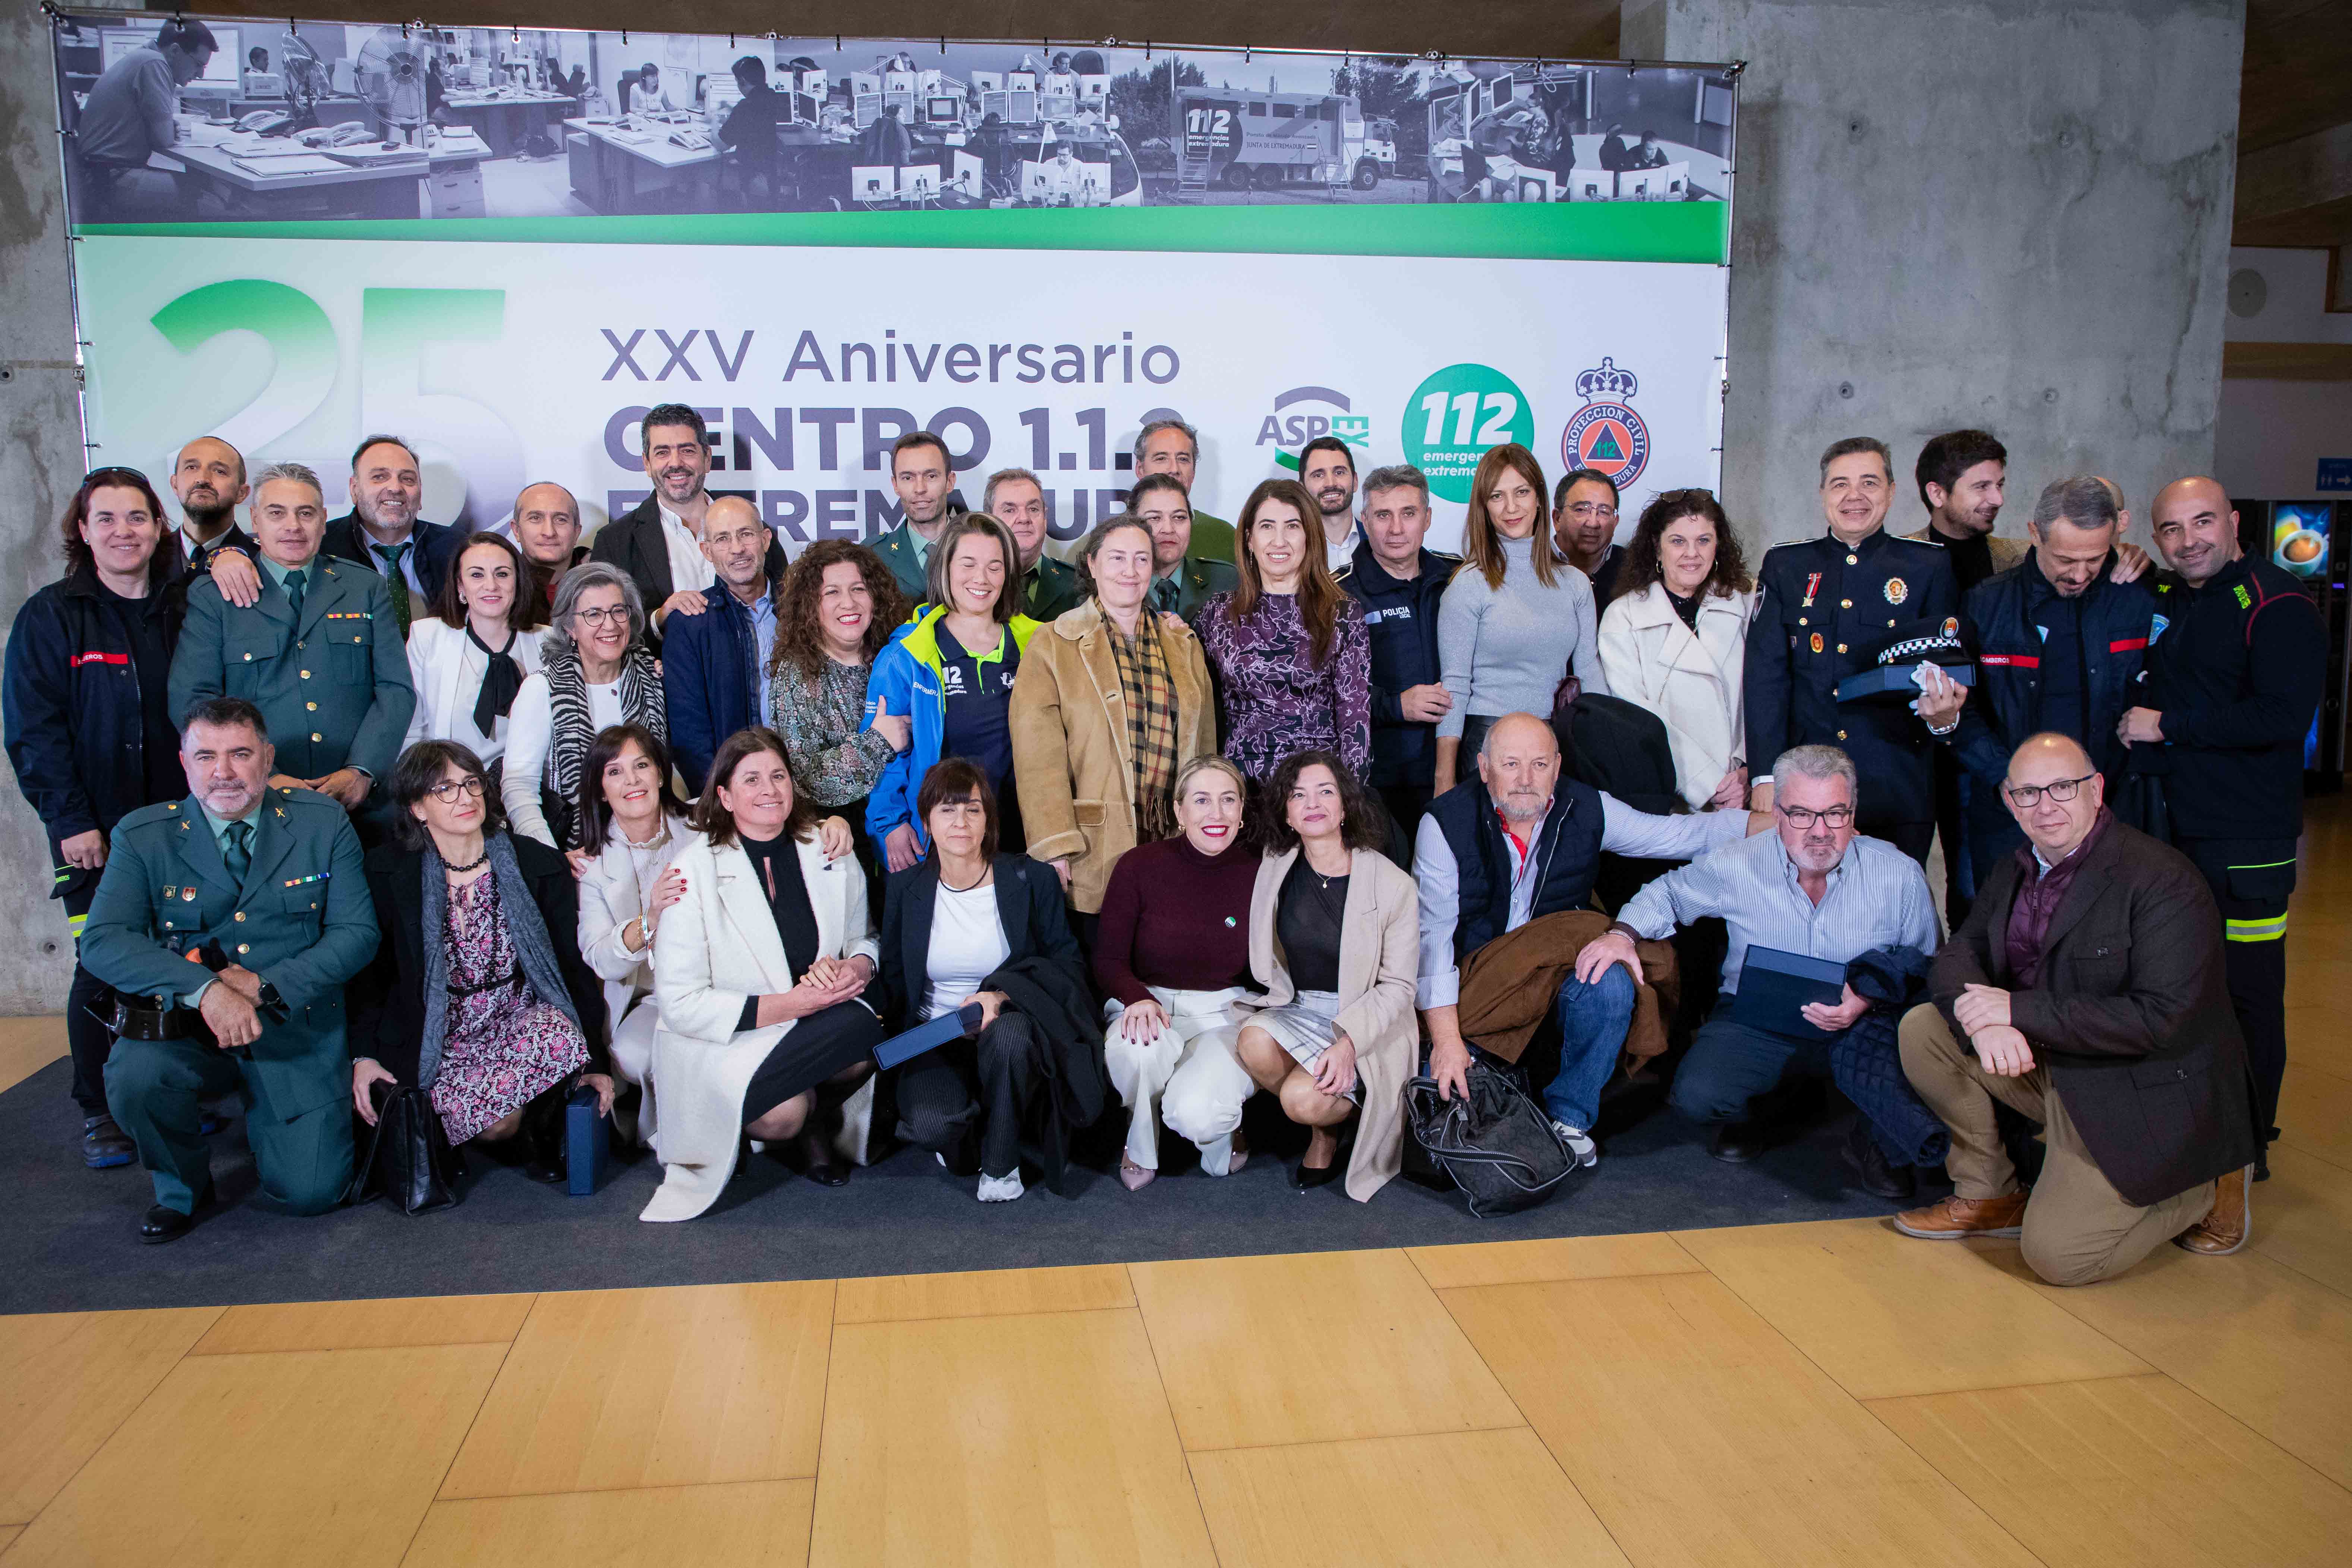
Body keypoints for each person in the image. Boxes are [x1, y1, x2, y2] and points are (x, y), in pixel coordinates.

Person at [1894, 734, 2258, 1276]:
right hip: (2056, 1066)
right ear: (2009, 802)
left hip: (2143, 1085)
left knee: (2059, 1258)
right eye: (2028, 793)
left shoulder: (2162, 879)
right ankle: (1992, 1191)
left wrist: (2015, 1012)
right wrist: (1986, 1023)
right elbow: (1957, 955)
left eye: (2062, 787)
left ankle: (2205, 1184)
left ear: (2097, 789)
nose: (2045, 806)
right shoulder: (2014, 868)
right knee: (1924, 1027)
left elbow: (2160, 1019)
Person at [78, 698, 375, 1242]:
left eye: (240, 754)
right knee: (135, 1077)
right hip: (191, 1027)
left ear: (267, 757)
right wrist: (206, 990)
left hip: (293, 1026)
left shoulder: (320, 821)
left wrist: (264, 986)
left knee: (312, 1193)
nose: (224, 772)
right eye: (207, 755)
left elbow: (358, 935)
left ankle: (282, 1134)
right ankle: (182, 1186)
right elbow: (101, 941)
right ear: (185, 762)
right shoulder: (143, 836)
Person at [1587, 745, 1940, 1184]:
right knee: (1697, 1096)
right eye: (1801, 815)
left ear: (1853, 813)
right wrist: (1621, 935)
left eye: (1835, 814)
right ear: (1777, 814)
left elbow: (1925, 963)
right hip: (1758, 1018)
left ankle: (1873, 1137)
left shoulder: (1899, 873)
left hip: (1864, 1021)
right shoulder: (1740, 861)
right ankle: (1753, 1112)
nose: (1820, 831)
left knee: (1919, 1061)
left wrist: (1868, 997)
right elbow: (1669, 894)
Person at [1417, 713, 1757, 1162]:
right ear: (1484, 768)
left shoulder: (1587, 806)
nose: (1525, 780)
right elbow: (1433, 943)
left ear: (1557, 768)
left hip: (1556, 972)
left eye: (1539, 765)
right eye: (1510, 764)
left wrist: (1779, 823)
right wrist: (1446, 1042)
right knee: (1442, 1108)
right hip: (1479, 982)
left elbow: (1676, 834)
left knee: (1610, 978)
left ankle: (1571, 1119)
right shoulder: (1445, 823)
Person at [2126, 476, 2326, 1178]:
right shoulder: (2167, 596)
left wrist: (2167, 727)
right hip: (2169, 833)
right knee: (2175, 988)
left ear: (2232, 521)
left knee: (2245, 993)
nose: (2189, 541)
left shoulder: (2276, 604)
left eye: (2202, 522)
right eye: (2171, 530)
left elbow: (2280, 719)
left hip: (2245, 843)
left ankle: (2244, 1151)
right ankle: (2186, 1134)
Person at [4, 469, 191, 1170]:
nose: (124, 532)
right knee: (103, 965)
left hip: (180, 823)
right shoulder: (53, 617)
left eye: (137, 518)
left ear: (158, 527)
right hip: (95, 831)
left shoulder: (182, 608)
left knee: (178, 954)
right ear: (82, 531)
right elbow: (34, 733)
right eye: (106, 519)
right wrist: (72, 821)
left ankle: (167, 1092)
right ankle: (100, 1110)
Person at [643, 728, 884, 1221]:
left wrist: (855, 968)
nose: (769, 789)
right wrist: (795, 1003)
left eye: (778, 775)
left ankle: (802, 1115)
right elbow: (682, 1003)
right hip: (730, 1039)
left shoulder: (827, 847)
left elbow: (865, 939)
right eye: (751, 779)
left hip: (813, 1028)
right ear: (726, 796)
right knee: (787, 1111)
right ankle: (787, 1122)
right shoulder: (694, 871)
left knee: (866, 1026)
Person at [349, 741, 610, 1182]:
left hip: (518, 1021)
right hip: (436, 1031)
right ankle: (493, 1126)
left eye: (471, 783)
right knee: (495, 1126)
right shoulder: (386, 871)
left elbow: (570, 967)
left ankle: (536, 1127)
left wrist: (597, 1062)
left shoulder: (536, 863)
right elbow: (371, 975)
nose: (466, 798)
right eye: (444, 789)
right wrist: (363, 1056)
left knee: (560, 1033)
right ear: (417, 808)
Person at [1167, 752, 1417, 1197]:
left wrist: (1350, 1043)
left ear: (1346, 806)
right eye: (1298, 795)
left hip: (1365, 1018)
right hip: (1301, 1007)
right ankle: (1329, 1120)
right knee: (1253, 1039)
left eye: (1326, 792)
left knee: (1300, 1100)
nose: (1313, 803)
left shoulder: (1393, 884)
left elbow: (1398, 987)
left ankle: (1332, 1123)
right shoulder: (1276, 864)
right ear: (1286, 811)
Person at [1911, 478, 2155, 887]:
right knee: (2002, 933)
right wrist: (2006, 777)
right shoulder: (1985, 604)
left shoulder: (2139, 597)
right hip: (2011, 814)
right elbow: (1961, 710)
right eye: (2065, 560)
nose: (2080, 574)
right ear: (2034, 534)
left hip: (2112, 812)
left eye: (2095, 559)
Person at [168, 461, 416, 828]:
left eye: (306, 513)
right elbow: (193, 698)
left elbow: (396, 689)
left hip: (360, 804)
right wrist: (263, 775)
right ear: (254, 519)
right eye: (277, 513)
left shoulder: (365, 587)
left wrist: (362, 771)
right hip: (253, 805)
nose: (293, 527)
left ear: (323, 518)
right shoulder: (214, 595)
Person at [1744, 436, 1956, 863]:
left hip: (1896, 780)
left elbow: (1943, 672)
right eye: (1840, 484)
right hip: (1808, 787)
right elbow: (1766, 676)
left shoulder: (1928, 566)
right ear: (1823, 493)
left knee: (1892, 915)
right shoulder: (1786, 565)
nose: (1854, 496)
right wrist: (1765, 775)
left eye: (1870, 483)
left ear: (1892, 492)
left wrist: (1944, 718)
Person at [882, 760, 1087, 1201]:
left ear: (989, 819)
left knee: (1011, 1032)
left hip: (1009, 1030)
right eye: (946, 811)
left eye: (972, 810)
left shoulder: (1030, 879)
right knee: (934, 1125)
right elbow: (896, 981)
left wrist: (1001, 993)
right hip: (935, 1033)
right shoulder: (905, 889)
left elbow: (1067, 964)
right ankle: (972, 1136)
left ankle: (1002, 1164)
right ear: (926, 822)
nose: (960, 823)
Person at [1011, 514, 1216, 935]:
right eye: (1118, 558)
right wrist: (1054, 846)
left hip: (1173, 844)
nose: (1130, 571)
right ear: (1091, 565)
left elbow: (1207, 750)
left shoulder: (1183, 642)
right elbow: (1038, 759)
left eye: (1142, 559)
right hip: (1093, 849)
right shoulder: (1053, 643)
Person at [1095, 756, 1259, 1187]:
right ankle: (1140, 1143)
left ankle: (1225, 1129)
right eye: (1201, 800)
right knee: (1140, 1050)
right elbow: (1108, 959)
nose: (1216, 814)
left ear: (1243, 811)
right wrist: (1138, 998)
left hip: (1225, 1016)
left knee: (1199, 1115)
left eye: (1228, 800)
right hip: (1147, 1002)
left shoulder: (1260, 874)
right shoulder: (1138, 866)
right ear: (1179, 811)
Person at [863, 514, 1040, 870]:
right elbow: (884, 755)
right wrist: (890, 824)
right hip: (939, 840)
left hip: (1022, 836)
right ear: (944, 568)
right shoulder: (906, 656)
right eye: (968, 564)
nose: (982, 578)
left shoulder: (1040, 644)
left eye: (995, 567)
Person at [1433, 444, 1606, 793]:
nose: (1511, 508)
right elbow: (1454, 684)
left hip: (1556, 744)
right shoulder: (1468, 585)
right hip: (1488, 746)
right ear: (1483, 507)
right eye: (1497, 496)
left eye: (1522, 492)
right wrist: (1443, 779)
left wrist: (1610, 750)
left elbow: (1590, 670)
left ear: (1540, 499)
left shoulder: (1574, 583)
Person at [1196, 478, 1372, 784]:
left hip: (1315, 790)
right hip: (1239, 789)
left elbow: (1355, 720)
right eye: (1267, 527)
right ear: (1249, 539)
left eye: (1292, 526)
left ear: (1309, 537)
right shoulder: (1218, 613)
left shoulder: (1342, 613)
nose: (1279, 541)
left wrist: (1350, 799)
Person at [1597, 488, 1760, 811]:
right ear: (1656, 548)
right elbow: (1639, 717)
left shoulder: (1746, 602)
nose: (1692, 553)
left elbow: (1763, 695)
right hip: (1674, 797)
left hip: (1745, 791)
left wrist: (1747, 773)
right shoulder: (1623, 617)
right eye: (1677, 541)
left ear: (1718, 546)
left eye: (1703, 540)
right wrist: (1708, 784)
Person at [572, 724, 692, 1149]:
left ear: (661, 774)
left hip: (717, 982)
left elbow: (771, 816)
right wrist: (651, 917)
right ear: (602, 791)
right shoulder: (592, 867)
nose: (633, 781)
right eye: (615, 772)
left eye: (642, 765)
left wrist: (833, 824)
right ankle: (675, 1138)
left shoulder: (705, 824)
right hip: (648, 998)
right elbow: (600, 958)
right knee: (637, 1053)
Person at [768, 540, 911, 872]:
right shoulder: (797, 673)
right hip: (840, 843)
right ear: (811, 605)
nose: (848, 602)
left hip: (908, 826)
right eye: (831, 592)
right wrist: (879, 741)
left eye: (859, 589)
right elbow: (804, 780)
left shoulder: (896, 656)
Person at [503, 563, 665, 849]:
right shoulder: (541, 688)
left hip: (653, 840)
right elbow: (519, 787)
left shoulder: (653, 676)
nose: (610, 625)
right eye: (593, 614)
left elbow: (666, 769)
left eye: (618, 611)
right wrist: (550, 856)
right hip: (574, 849)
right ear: (569, 627)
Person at [589, 404, 782, 639]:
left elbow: (790, 610)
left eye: (687, 451)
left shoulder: (756, 534)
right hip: (665, 673)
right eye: (662, 452)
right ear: (647, 464)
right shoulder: (615, 542)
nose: (675, 463)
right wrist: (659, 618)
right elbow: (600, 630)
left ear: (707, 458)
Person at [1338, 463, 1454, 853]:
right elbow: (1325, 689)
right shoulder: (1340, 593)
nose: (1397, 529)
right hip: (1377, 778)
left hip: (1455, 767)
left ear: (1428, 518)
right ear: (1365, 521)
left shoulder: (1458, 580)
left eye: (1409, 514)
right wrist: (1395, 705)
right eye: (1383, 515)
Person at [662, 496, 783, 794]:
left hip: (806, 784)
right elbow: (689, 735)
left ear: (765, 540)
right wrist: (720, 798)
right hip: (731, 793)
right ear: (707, 551)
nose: (737, 549)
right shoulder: (690, 624)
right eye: (722, 539)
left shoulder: (804, 609)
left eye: (746, 534)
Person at [401, 532, 548, 777]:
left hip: (534, 788)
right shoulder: (426, 636)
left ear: (518, 582)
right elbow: (414, 731)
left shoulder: (549, 641)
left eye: (502, 574)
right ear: (460, 585)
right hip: (450, 790)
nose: (491, 585)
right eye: (477, 575)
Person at [72, 18, 216, 221]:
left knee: (201, 184)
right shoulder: (154, 64)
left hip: (100, 174)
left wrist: (165, 128)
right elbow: (164, 139)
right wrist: (166, 129)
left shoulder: (143, 57)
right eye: (199, 64)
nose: (201, 74)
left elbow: (160, 131)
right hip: (110, 179)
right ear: (175, 51)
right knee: (212, 196)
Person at [1904, 429, 2022, 593]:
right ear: (1937, 494)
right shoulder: (1894, 561)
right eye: (1982, 487)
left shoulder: (2026, 559)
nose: (1999, 500)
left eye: (1999, 485)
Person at [868, 431, 962, 601]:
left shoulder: (980, 550)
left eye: (931, 476)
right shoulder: (873, 555)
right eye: (908, 478)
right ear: (895, 485)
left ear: (950, 482)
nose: (920, 489)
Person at [982, 467, 1086, 620]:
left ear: (1045, 518)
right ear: (989, 519)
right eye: (1010, 510)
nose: (1024, 518)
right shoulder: (973, 584)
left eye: (1033, 509)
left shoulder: (1077, 584)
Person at [1131, 472, 1236, 619]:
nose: (1168, 529)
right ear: (1132, 524)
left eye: (1179, 517)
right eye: (1155, 518)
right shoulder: (1113, 585)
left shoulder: (1226, 581)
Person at [1134, 418, 1235, 561]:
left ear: (1193, 472)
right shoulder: (1107, 538)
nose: (1174, 469)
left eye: (1183, 459)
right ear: (1140, 470)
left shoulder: (1224, 536)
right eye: (1161, 458)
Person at [166, 437, 257, 573]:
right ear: (175, 485)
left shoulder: (263, 560)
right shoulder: (147, 556)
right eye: (191, 467)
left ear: (242, 493)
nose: (203, 479)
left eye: (219, 471)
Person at [496, 481, 587, 611]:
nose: (549, 533)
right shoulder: (496, 588)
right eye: (535, 518)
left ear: (576, 532)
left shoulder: (605, 584)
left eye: (560, 520)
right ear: (516, 531)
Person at [718, 54, 788, 205]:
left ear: (743, 81)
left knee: (716, 172)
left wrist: (712, 122)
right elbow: (756, 118)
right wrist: (732, 110)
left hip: (752, 176)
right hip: (771, 173)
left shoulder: (745, 107)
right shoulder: (772, 97)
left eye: (738, 82)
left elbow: (722, 145)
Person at [1553, 469, 1626, 608]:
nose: (1593, 523)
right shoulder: (1528, 563)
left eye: (1604, 512)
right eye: (1581, 510)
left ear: (1615, 522)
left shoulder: (1635, 569)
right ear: (1557, 518)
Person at [1297, 435, 1362, 570]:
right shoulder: (1293, 547)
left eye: (1339, 472)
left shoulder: (1381, 541)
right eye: (1318, 475)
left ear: (1355, 482)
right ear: (1302, 488)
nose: (1331, 483)